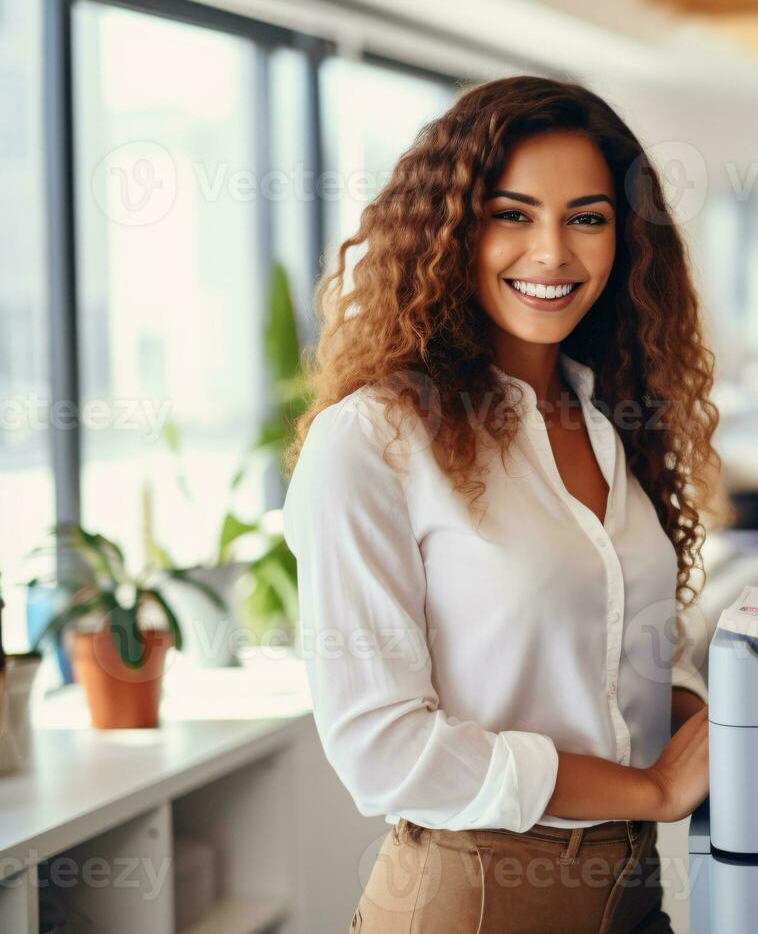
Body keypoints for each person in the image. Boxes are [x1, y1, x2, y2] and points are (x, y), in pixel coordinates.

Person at [282, 75, 721, 932]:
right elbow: (386, 748)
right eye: (513, 214)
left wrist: (726, 710)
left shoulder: (608, 422)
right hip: (477, 898)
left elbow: (611, 656)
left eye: (587, 218)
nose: (553, 252)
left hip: (632, 892)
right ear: (450, 230)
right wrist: (654, 787)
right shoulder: (372, 441)